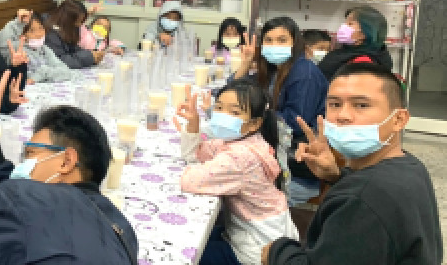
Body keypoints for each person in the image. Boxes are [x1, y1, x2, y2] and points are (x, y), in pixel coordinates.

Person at [0, 66, 139, 264]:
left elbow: (14, 204)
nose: (24, 164)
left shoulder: (22, 202)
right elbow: (15, 210)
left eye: (31, 153)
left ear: (66, 161)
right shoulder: (121, 228)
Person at [264, 63, 442, 265]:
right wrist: (336, 176)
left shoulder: (360, 200)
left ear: (399, 119)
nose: (343, 116)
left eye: (361, 105)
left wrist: (276, 252)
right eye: (335, 104)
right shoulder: (409, 165)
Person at [176, 81, 298, 265]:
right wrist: (194, 125)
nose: (222, 116)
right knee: (201, 235)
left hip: (257, 251)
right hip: (264, 235)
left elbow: (191, 181)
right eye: (219, 108)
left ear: (254, 123)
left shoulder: (240, 157)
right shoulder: (244, 140)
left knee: (186, 250)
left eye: (234, 112)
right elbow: (196, 154)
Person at [236, 17, 328, 206]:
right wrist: (245, 63)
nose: (274, 45)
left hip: (295, 169)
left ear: (295, 43)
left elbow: (295, 122)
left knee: (236, 191)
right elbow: (233, 94)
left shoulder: (304, 74)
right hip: (274, 155)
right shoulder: (273, 70)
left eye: (282, 40)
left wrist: (254, 117)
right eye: (268, 40)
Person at [0, 9, 73, 84]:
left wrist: (41, 74)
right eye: (32, 31)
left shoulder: (44, 49)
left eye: (41, 28)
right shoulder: (16, 48)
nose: (39, 34)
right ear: (21, 34)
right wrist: (18, 23)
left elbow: (66, 71)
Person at [318, 7, 393, 81]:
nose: (343, 27)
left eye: (350, 24)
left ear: (365, 33)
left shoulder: (363, 63)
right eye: (345, 23)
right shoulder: (348, 51)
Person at [45, 0, 104, 69]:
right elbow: (59, 61)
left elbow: (72, 48)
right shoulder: (51, 34)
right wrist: (90, 57)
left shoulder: (66, 28)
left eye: (82, 21)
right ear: (67, 19)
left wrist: (92, 54)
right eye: (79, 21)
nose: (79, 25)